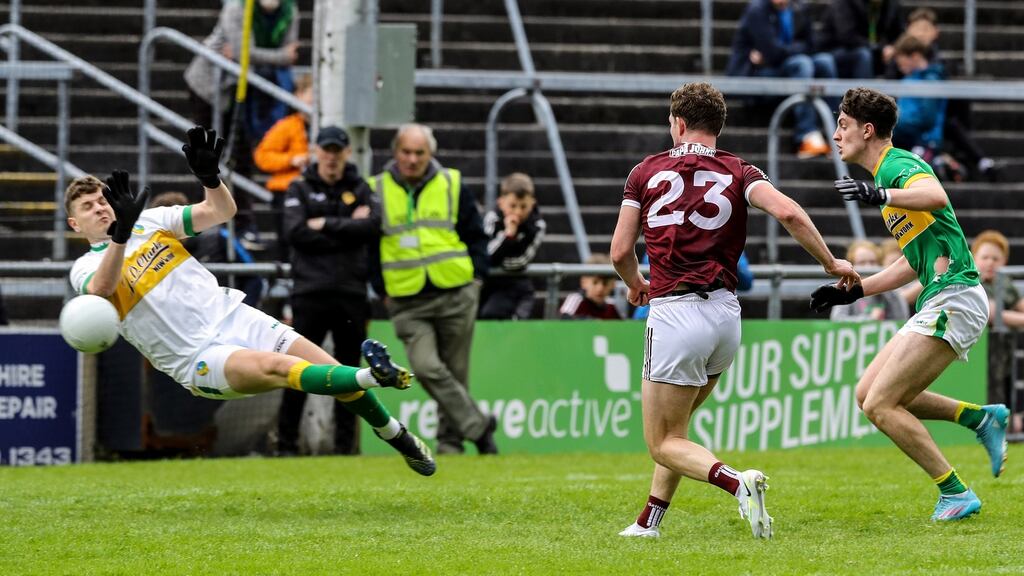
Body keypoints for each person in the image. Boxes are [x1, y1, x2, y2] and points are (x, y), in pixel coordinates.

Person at [65, 126, 435, 476]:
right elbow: (101, 290)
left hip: (235, 316)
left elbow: (222, 211)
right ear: (75, 224)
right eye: (88, 207)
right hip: (198, 356)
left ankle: (394, 434)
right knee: (279, 367)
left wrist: (211, 179)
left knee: (333, 372)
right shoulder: (86, 266)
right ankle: (376, 375)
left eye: (102, 200)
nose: (99, 208)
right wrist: (121, 236)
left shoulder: (151, 221)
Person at [612, 82, 859, 539]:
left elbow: (620, 250)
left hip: (675, 311)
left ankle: (736, 482)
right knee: (679, 431)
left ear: (678, 123)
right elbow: (789, 214)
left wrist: (635, 285)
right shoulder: (740, 170)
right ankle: (649, 521)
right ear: (718, 128)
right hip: (726, 316)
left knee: (663, 442)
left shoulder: (644, 172)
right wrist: (831, 262)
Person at [812, 87, 1010, 521]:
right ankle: (980, 418)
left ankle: (955, 492)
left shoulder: (896, 166)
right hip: (942, 296)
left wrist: (879, 195)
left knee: (883, 404)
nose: (836, 134)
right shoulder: (887, 175)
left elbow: (936, 195)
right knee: (868, 395)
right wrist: (855, 290)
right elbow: (909, 261)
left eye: (843, 125)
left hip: (954, 296)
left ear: (868, 130)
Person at [367, 123, 498, 455]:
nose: (412, 159)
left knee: (455, 372)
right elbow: (368, 246)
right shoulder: (376, 189)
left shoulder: (451, 182)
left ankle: (450, 444)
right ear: (395, 153)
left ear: (431, 154)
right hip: (406, 299)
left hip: (457, 290)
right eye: (406, 152)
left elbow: (475, 234)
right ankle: (479, 427)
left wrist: (477, 278)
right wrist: (380, 287)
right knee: (426, 367)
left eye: (419, 153)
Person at [276, 125, 378, 457]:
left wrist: (323, 224)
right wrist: (347, 227)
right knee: (298, 370)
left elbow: (372, 227)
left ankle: (344, 447)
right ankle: (287, 444)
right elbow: (294, 232)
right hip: (310, 292)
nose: (331, 158)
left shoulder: (361, 187)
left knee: (350, 372)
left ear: (347, 153)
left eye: (337, 151)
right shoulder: (300, 186)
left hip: (350, 293)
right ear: (317, 151)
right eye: (326, 150)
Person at [183, 0, 300, 250]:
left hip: (248, 90)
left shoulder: (290, 12)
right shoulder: (238, 8)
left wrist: (253, 55)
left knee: (242, 157)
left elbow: (284, 55)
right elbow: (242, 52)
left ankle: (243, 225)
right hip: (210, 87)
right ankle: (205, 223)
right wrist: (275, 56)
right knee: (207, 156)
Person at [887, 8, 998, 182]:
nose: (920, 34)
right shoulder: (902, 65)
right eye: (916, 28)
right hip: (911, 125)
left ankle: (966, 161)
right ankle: (948, 160)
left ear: (935, 32)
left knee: (948, 124)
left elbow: (931, 113)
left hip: (928, 127)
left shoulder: (938, 68)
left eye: (925, 29)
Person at [725, 0, 836, 158]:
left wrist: (787, 51)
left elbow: (812, 45)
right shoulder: (757, 10)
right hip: (756, 73)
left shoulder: (800, 8)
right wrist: (796, 50)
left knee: (825, 62)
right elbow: (773, 52)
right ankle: (806, 134)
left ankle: (833, 133)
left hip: (786, 67)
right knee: (802, 64)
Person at [150, 191, 265, 308]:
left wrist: (239, 313)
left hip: (227, 310)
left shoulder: (219, 236)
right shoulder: (151, 252)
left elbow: (253, 275)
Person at [253, 73, 314, 260]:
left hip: (314, 192)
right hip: (287, 192)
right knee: (287, 240)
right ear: (298, 96)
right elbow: (262, 156)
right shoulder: (288, 126)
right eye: (311, 93)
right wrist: (291, 160)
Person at [479, 172, 546, 320]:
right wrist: (508, 236)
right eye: (513, 206)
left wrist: (496, 261)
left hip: (514, 287)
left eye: (524, 206)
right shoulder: (492, 218)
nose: (518, 212)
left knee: (491, 314)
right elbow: (486, 254)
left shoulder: (537, 225)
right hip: (486, 284)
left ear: (532, 203)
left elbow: (520, 262)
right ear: (501, 202)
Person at [890, 34, 950, 177]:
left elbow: (928, 119)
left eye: (901, 63)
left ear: (915, 56)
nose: (900, 67)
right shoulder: (908, 79)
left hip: (925, 140)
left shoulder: (931, 80)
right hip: (905, 137)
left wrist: (896, 126)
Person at [817, 0, 904, 78]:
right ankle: (864, 95)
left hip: (872, 50)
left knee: (897, 55)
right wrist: (880, 49)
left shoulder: (891, 5)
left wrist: (893, 48)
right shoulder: (844, 3)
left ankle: (892, 95)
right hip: (836, 50)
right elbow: (847, 37)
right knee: (863, 55)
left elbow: (899, 34)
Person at [830, 239, 909, 321]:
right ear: (852, 266)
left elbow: (901, 320)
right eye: (862, 263)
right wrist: (869, 319)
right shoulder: (845, 290)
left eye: (872, 262)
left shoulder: (891, 291)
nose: (868, 267)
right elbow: (837, 320)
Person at [972, 230, 1024, 328]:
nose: (990, 263)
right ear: (974, 258)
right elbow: (994, 314)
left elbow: (1020, 303)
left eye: (995, 259)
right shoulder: (973, 283)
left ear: (1004, 261)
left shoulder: (1005, 282)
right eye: (985, 257)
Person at [560, 253, 622, 320]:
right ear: (583, 282)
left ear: (613, 285)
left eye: (605, 283)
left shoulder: (611, 306)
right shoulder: (575, 300)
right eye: (595, 282)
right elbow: (564, 320)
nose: (600, 289)